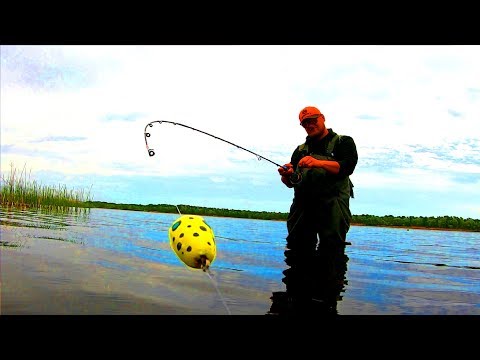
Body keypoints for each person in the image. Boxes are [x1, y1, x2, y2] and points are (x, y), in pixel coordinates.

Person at [273, 105, 358, 315]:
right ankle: (296, 296)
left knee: (332, 250)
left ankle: (326, 302)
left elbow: (347, 167)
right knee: (297, 249)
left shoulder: (343, 142)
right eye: (305, 123)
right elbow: (292, 182)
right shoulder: (300, 150)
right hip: (303, 206)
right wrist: (287, 175)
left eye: (313, 120)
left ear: (322, 118)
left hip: (333, 204)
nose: (309, 125)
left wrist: (318, 163)